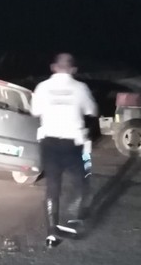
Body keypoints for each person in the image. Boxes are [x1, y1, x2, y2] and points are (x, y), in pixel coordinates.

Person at [31, 53, 98, 247]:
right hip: (73, 143)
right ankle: (73, 221)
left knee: (52, 185)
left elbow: (35, 111)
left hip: (49, 142)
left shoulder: (42, 87)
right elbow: (92, 110)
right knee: (82, 181)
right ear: (73, 69)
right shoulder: (80, 88)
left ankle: (52, 233)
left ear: (53, 67)